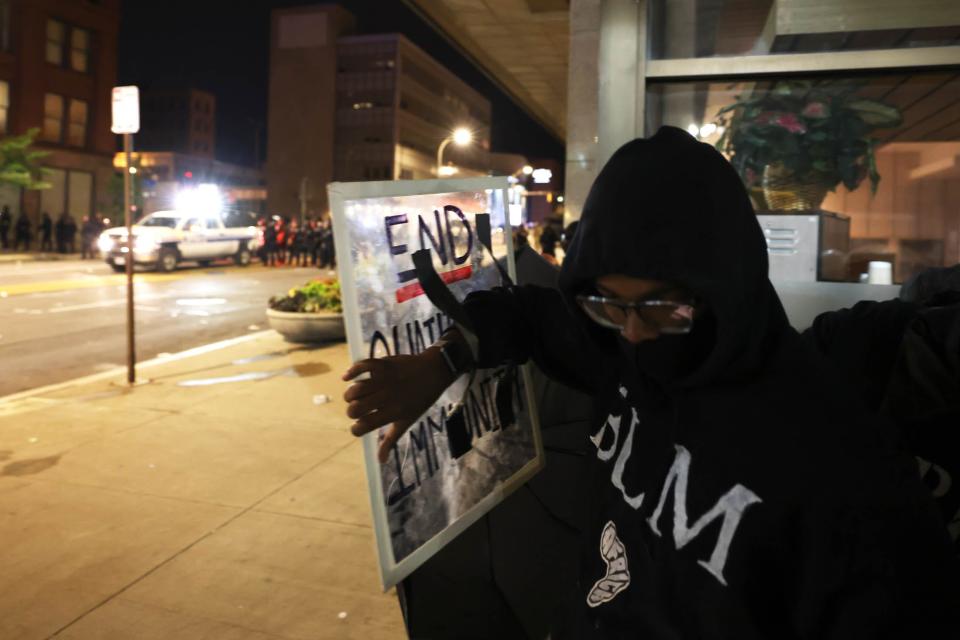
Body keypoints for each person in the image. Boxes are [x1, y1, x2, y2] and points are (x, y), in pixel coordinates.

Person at [342, 127, 958, 637]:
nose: (633, 334)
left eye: (663, 307)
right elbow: (535, 316)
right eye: (608, 302)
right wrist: (444, 362)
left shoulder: (844, 477)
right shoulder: (620, 344)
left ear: (726, 289)